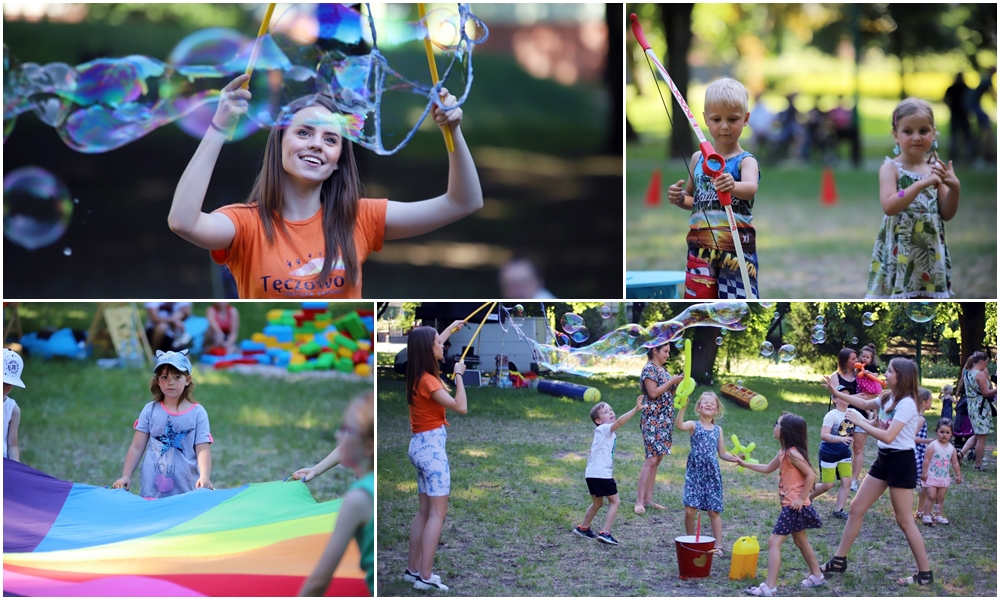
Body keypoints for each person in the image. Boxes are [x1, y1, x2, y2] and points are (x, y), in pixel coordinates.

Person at [169, 74, 483, 299]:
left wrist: (452, 130)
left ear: (337, 162)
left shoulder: (358, 217)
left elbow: (463, 202)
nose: (317, 144)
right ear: (279, 145)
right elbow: (183, 222)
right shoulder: (245, 223)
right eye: (304, 133)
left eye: (330, 139)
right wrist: (219, 126)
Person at [820, 358, 932, 587]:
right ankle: (839, 560)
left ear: (901, 376)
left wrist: (862, 422)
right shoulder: (886, 397)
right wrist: (836, 392)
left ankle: (925, 573)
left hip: (901, 462)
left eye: (890, 371)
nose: (885, 373)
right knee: (856, 508)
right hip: (884, 460)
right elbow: (862, 403)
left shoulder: (908, 403)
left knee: (904, 520)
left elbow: (889, 436)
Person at [666, 78, 761, 299]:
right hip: (701, 248)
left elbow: (750, 188)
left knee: (736, 302)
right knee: (699, 304)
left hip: (736, 249)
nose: (724, 126)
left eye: (733, 119)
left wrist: (733, 185)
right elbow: (692, 199)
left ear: (745, 119)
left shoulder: (746, 161)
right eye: (716, 119)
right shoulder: (698, 158)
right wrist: (679, 197)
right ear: (705, 120)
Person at [866, 97, 960, 299]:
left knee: (925, 298)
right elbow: (889, 205)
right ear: (896, 135)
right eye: (908, 131)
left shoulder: (936, 167)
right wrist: (920, 184)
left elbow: (946, 212)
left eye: (923, 131)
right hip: (901, 248)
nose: (916, 137)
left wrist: (955, 188)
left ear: (934, 132)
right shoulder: (890, 169)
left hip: (929, 248)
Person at [403, 321, 468, 591]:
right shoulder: (430, 380)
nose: (443, 345)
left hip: (419, 447)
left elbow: (428, 344)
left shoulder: (418, 371)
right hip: (432, 453)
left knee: (425, 511)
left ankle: (412, 570)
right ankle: (425, 577)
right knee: (437, 515)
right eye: (439, 343)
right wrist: (460, 376)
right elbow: (460, 407)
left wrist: (450, 328)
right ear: (428, 350)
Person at [737, 412, 824, 596]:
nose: (774, 426)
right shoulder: (784, 452)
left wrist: (800, 498)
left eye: (777, 424)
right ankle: (817, 576)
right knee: (801, 541)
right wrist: (744, 464)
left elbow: (811, 475)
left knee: (773, 542)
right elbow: (768, 468)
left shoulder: (792, 453)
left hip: (793, 505)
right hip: (793, 505)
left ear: (786, 431)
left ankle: (770, 586)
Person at [299, 392, 374, 596]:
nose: (338, 436)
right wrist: (316, 469)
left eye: (346, 430)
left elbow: (318, 582)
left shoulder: (359, 499)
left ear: (368, 445)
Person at [112, 350, 213, 498]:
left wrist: (204, 476)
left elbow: (202, 448)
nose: (170, 382)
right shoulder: (150, 410)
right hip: (151, 489)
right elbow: (136, 447)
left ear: (188, 379)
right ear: (158, 381)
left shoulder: (198, 413)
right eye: (164, 377)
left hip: (185, 490)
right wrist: (126, 475)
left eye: (177, 377)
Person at [674, 391, 741, 553]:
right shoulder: (693, 425)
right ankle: (689, 542)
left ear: (717, 410)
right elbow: (679, 425)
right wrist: (682, 408)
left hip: (712, 473)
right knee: (690, 510)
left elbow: (722, 453)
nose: (709, 404)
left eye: (713, 403)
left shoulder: (718, 430)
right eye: (705, 402)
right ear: (698, 407)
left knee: (713, 510)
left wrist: (735, 458)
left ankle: (718, 544)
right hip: (695, 472)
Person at [572, 395, 643, 546]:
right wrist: (635, 409)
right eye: (605, 412)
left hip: (592, 474)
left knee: (597, 504)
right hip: (600, 474)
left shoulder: (604, 431)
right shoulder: (604, 429)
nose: (611, 412)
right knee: (615, 501)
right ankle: (605, 532)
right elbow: (619, 422)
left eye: (611, 410)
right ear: (598, 420)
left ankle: (583, 528)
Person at [635, 341, 684, 514]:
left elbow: (667, 393)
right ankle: (639, 501)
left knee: (658, 460)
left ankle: (649, 499)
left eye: (668, 352)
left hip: (665, 420)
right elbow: (653, 393)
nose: (667, 355)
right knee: (651, 460)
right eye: (665, 351)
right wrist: (671, 381)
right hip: (652, 418)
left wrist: (677, 385)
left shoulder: (663, 370)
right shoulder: (649, 369)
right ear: (654, 351)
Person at [809, 392, 854, 519]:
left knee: (847, 481)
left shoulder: (852, 413)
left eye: (848, 394)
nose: (847, 396)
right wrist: (840, 439)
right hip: (829, 453)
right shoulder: (831, 415)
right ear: (834, 399)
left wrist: (876, 420)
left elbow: (867, 423)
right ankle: (807, 498)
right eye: (842, 394)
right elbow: (824, 435)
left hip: (844, 453)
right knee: (827, 485)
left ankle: (838, 510)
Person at [919, 418, 962, 526]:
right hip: (931, 476)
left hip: (943, 477)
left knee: (940, 497)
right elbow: (926, 460)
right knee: (931, 496)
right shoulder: (933, 445)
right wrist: (924, 472)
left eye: (947, 432)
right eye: (941, 432)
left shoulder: (952, 448)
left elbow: (955, 463)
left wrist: (958, 475)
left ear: (951, 433)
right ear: (936, 431)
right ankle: (926, 515)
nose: (944, 435)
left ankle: (938, 516)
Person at [957, 351, 996, 470]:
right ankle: (978, 464)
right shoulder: (980, 374)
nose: (986, 365)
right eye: (986, 362)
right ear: (981, 361)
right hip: (981, 407)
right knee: (981, 438)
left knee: (977, 434)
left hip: (972, 405)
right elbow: (985, 392)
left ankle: (961, 454)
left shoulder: (967, 372)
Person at [912, 388, 934, 521]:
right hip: (917, 454)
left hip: (917, 452)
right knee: (924, 482)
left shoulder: (915, 417)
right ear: (924, 402)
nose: (931, 403)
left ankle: (920, 510)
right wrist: (928, 441)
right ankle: (920, 510)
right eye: (930, 400)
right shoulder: (920, 419)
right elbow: (911, 437)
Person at [943, 73, 973, 163]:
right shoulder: (966, 88)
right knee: (965, 137)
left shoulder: (951, 88)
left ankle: (955, 156)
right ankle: (967, 156)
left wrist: (951, 107)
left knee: (955, 137)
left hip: (956, 115)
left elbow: (945, 100)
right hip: (962, 115)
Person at [3, 349, 25, 462]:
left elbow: (12, 445)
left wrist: (16, 470)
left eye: (7, 384)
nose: (2, 387)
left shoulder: (12, 409)